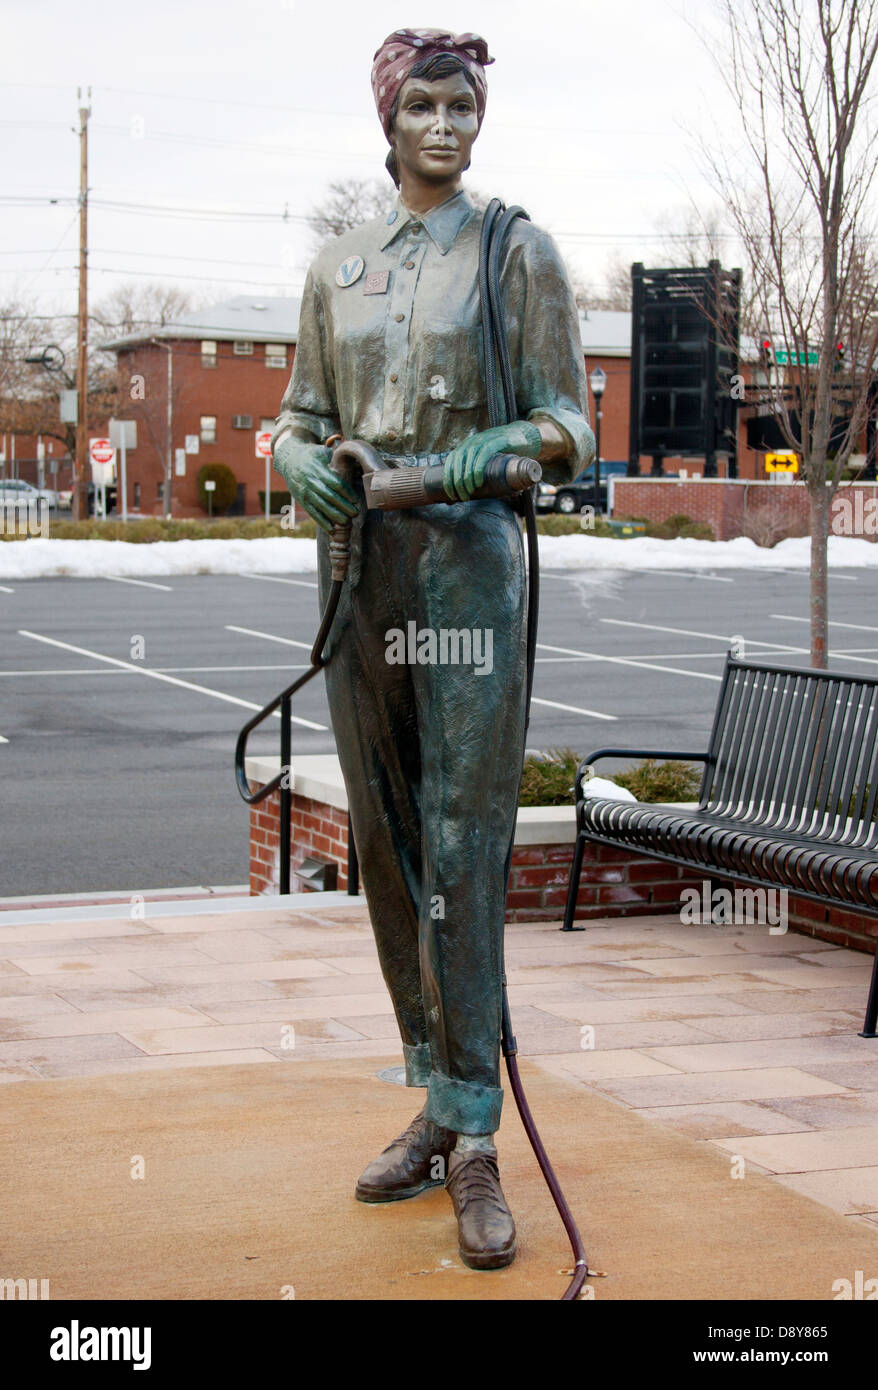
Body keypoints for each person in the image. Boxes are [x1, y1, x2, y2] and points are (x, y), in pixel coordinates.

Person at [272, 26, 593, 1271]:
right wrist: (302, 460)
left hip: (465, 563)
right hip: (359, 570)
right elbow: (302, 415)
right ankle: (432, 1089)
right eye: (422, 105)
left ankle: (476, 1135)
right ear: (386, 120)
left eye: (461, 104)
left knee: (464, 840)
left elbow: (565, 419)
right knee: (391, 840)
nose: (445, 125)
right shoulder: (337, 268)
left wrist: (454, 463)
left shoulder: (517, 253)